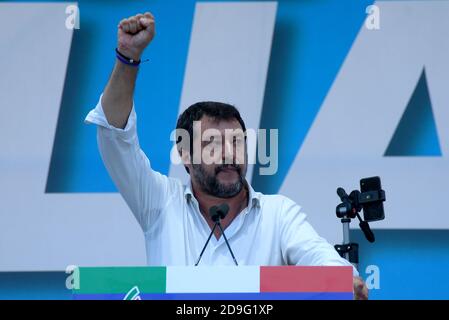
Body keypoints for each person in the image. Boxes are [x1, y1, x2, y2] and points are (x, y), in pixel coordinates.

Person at [85, 12, 368, 300]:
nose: (229, 154)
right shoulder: (160, 203)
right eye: (213, 144)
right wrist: (128, 57)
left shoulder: (278, 214)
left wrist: (344, 280)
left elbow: (320, 257)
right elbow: (115, 137)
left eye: (237, 142)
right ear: (184, 154)